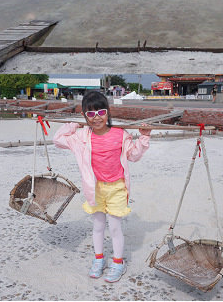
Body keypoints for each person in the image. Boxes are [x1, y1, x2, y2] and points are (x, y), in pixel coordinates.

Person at [53, 90, 150, 283]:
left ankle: (117, 262)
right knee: (98, 227)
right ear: (84, 116)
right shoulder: (81, 136)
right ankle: (98, 260)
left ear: (108, 112)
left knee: (114, 228)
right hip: (95, 188)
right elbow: (58, 139)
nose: (96, 118)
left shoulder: (120, 134)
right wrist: (73, 125)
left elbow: (134, 156)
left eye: (101, 112)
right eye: (90, 114)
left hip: (117, 188)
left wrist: (144, 137)